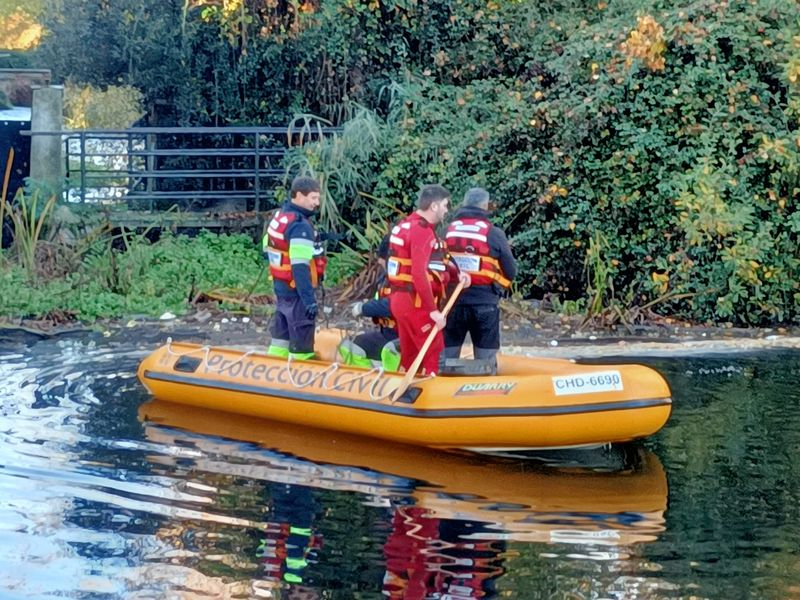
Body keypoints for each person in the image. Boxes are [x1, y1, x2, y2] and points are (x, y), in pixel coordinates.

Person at [387, 184, 469, 376]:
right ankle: (432, 395)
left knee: (410, 355)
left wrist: (457, 274)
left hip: (399, 300)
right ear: (434, 206)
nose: (446, 210)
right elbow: (418, 272)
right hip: (415, 302)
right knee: (434, 351)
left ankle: (404, 391)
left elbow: (435, 260)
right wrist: (433, 311)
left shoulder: (404, 225)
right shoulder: (422, 230)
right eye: (445, 205)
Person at [443, 187, 517, 366]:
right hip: (484, 304)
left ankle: (442, 388)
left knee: (446, 358)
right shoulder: (494, 233)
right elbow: (511, 270)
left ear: (464, 204)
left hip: (452, 303)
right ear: (485, 206)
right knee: (486, 360)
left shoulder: (445, 231)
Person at [263, 176, 326, 360]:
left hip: (281, 290)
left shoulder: (281, 217)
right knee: (302, 346)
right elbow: (300, 268)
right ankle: (299, 380)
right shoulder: (300, 226)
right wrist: (309, 301)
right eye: (313, 198)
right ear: (299, 196)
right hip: (296, 293)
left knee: (280, 340)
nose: (317, 203)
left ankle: (271, 374)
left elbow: (266, 248)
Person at [340, 234, 401, 371]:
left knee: (389, 350)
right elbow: (380, 301)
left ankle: (392, 383)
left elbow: (392, 306)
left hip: (405, 336)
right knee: (349, 346)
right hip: (386, 333)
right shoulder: (385, 279)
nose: (380, 264)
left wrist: (364, 308)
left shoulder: (406, 280)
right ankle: (368, 378)